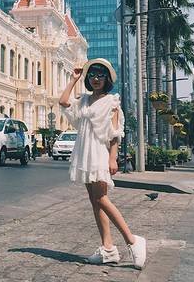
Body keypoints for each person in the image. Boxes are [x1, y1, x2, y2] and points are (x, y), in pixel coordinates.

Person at [59, 58, 146, 269]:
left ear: (107, 78)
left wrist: (112, 158)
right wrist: (74, 79)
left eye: (100, 75)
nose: (95, 79)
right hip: (85, 153)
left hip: (99, 152)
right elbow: (63, 102)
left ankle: (133, 241)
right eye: (92, 75)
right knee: (95, 201)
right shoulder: (84, 100)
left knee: (102, 198)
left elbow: (115, 134)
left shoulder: (112, 102)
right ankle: (108, 248)